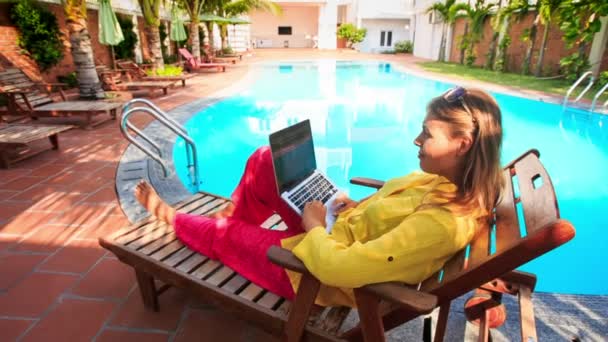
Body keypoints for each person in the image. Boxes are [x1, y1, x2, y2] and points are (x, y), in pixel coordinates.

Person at [134, 86, 504, 307]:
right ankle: (235, 221)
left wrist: (313, 227)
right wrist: (351, 205)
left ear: (462, 144)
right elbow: (396, 219)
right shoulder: (447, 184)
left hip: (313, 270)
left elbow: (339, 268)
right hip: (337, 226)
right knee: (267, 159)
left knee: (225, 235)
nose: (417, 141)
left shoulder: (442, 223)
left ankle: (180, 221)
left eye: (427, 134)